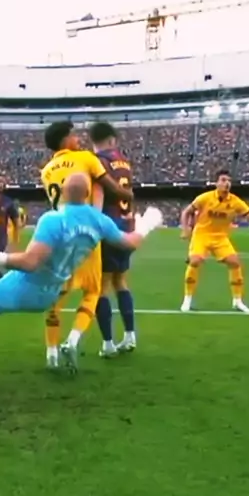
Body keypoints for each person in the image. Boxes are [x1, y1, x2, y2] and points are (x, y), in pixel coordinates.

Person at [0, 173, 162, 389]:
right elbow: (130, 242)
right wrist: (146, 225)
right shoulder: (99, 221)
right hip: (51, 293)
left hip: (24, 286)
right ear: (87, 193)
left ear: (62, 193)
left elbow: (30, 263)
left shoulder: (54, 220)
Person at [40, 121, 134, 369]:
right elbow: (111, 187)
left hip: (59, 235)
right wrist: (128, 195)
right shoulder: (85, 158)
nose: (78, 139)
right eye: (73, 135)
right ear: (64, 139)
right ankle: (73, 340)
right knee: (93, 292)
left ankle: (51, 354)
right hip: (86, 234)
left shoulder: (46, 170)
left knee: (57, 297)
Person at [179, 169, 249, 313]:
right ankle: (187, 300)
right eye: (223, 180)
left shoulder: (235, 202)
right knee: (195, 261)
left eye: (229, 181)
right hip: (202, 235)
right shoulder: (205, 198)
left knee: (235, 262)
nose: (227, 183)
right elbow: (186, 212)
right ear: (216, 183)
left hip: (220, 237)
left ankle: (237, 301)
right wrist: (185, 229)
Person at [89, 121, 137, 355]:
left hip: (108, 226)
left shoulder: (98, 161)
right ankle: (130, 336)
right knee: (121, 282)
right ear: (112, 139)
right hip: (126, 225)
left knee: (102, 286)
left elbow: (98, 195)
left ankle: (108, 343)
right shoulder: (124, 162)